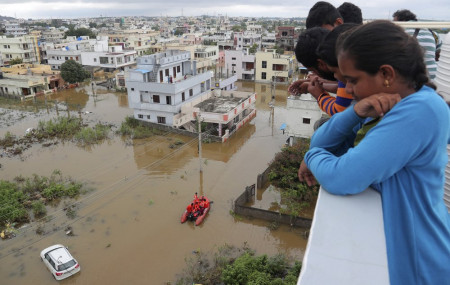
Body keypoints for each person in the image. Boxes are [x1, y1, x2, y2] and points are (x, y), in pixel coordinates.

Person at [298, 20, 450, 284]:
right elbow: (321, 140)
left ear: (386, 74)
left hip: (419, 263)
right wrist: (356, 112)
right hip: (407, 249)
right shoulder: (394, 105)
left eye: (353, 81)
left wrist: (311, 158)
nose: (350, 90)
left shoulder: (419, 111)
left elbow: (343, 177)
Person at [392, 9, 440, 79]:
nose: (394, 25)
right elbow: (438, 55)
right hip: (435, 76)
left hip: (413, 78)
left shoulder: (400, 32)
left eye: (395, 23)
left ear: (403, 21)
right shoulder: (433, 33)